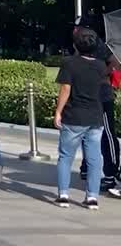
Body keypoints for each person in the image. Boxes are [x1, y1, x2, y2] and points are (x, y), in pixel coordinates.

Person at [55, 26, 109, 209]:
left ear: (75, 45)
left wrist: (58, 111)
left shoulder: (69, 63)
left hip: (74, 116)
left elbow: (65, 88)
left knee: (65, 156)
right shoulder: (101, 66)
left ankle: (63, 194)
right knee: (94, 158)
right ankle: (92, 197)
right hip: (95, 117)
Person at [75, 16, 121, 197]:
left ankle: (111, 173)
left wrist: (101, 73)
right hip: (86, 95)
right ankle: (87, 167)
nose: (75, 30)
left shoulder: (99, 45)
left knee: (107, 134)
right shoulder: (79, 45)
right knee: (86, 132)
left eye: (78, 27)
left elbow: (115, 62)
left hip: (101, 95)